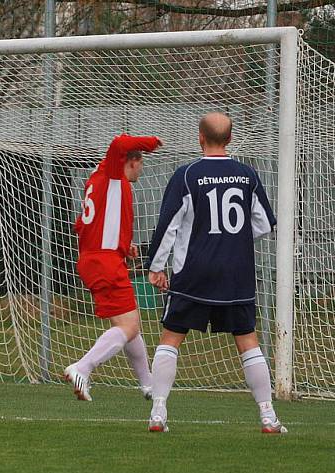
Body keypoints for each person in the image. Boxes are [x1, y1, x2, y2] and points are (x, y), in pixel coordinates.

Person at [145, 112, 286, 433]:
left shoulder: (187, 174)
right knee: (248, 340)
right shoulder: (246, 174)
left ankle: (158, 413)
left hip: (193, 271)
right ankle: (268, 416)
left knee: (171, 337)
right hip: (236, 273)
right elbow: (265, 223)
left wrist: (155, 267)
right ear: (231, 139)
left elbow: (168, 224)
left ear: (200, 137)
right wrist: (232, 239)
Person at [64, 133, 162, 401]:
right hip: (104, 261)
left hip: (98, 258)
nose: (142, 169)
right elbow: (119, 143)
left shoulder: (98, 179)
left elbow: (86, 224)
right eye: (141, 162)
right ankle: (82, 367)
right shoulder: (112, 171)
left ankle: (149, 386)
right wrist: (151, 142)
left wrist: (122, 246)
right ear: (131, 161)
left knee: (129, 326)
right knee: (129, 327)